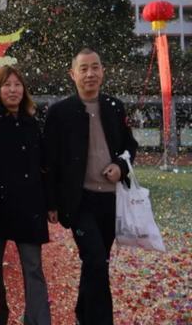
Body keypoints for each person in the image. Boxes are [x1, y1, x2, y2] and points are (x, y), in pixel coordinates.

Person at [44, 48, 138, 325]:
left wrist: (120, 166)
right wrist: (51, 202)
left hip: (110, 200)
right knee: (96, 259)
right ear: (72, 74)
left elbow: (129, 146)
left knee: (96, 262)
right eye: (83, 69)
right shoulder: (60, 112)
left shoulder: (114, 106)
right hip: (79, 200)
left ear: (103, 71)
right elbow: (49, 161)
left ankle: (83, 314)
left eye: (95, 67)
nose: (90, 74)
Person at [0, 66, 51, 325]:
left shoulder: (31, 122)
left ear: (24, 90)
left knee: (33, 269)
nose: (13, 90)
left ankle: (38, 321)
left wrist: (51, 203)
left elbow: (43, 166)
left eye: (17, 85)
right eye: (7, 85)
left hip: (30, 206)